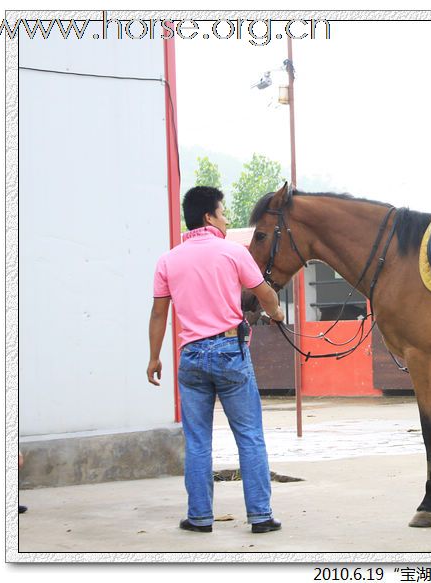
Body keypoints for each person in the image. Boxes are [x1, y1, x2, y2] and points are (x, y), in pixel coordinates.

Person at [147, 186, 285, 534]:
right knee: (250, 436)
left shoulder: (168, 260)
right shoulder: (232, 252)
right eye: (223, 213)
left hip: (191, 356)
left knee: (197, 441)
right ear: (209, 216)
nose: (226, 220)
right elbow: (263, 291)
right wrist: (277, 313)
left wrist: (153, 358)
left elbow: (158, 315)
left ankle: (199, 517)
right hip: (229, 353)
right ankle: (260, 516)